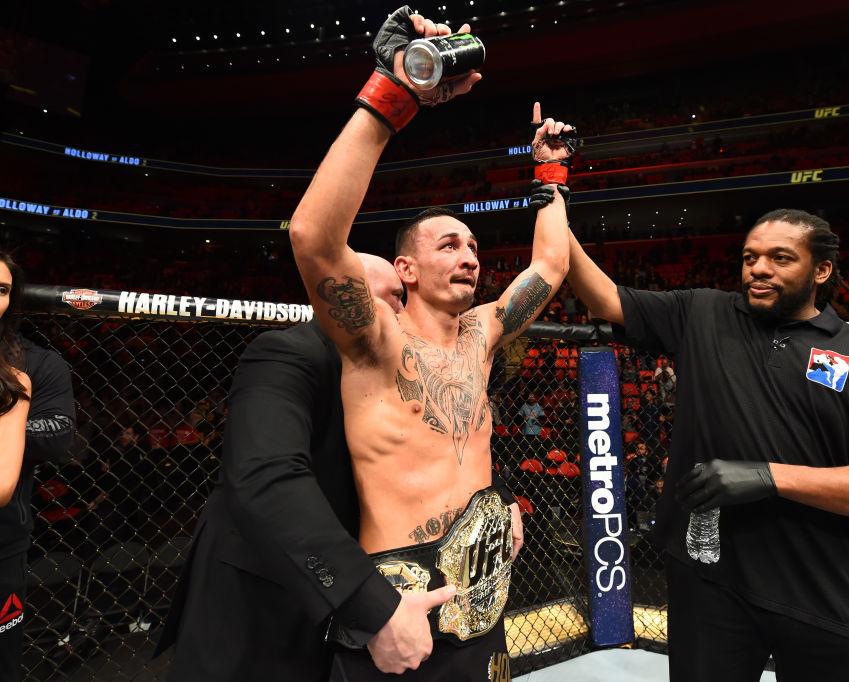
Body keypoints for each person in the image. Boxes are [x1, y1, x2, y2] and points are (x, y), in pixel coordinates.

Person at [287, 8, 573, 680]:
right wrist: (394, 92)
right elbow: (311, 238)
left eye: (473, 246)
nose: (470, 256)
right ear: (405, 271)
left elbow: (550, 268)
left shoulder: (483, 333)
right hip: (395, 598)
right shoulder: (374, 340)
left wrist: (551, 175)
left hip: (484, 582)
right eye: (448, 244)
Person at [565, 208, 849, 681]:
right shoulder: (703, 312)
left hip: (819, 582)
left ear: (821, 271)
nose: (758, 268)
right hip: (710, 580)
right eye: (750, 257)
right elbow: (602, 296)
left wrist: (767, 476)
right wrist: (553, 194)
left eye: (781, 258)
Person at [158, 254, 418, 681]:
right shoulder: (288, 351)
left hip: (337, 587)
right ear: (347, 294)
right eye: (394, 297)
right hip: (260, 594)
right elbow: (266, 478)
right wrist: (370, 602)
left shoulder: (396, 372)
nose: (403, 311)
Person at [0, 251, 74, 682]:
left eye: (3, 289)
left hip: (5, 534)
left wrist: (10, 432)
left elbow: (59, 435)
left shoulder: (35, 366)